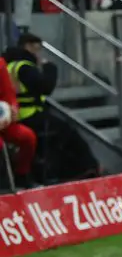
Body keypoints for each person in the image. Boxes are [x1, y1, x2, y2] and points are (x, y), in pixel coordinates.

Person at [4, 33, 101, 183]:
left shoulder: (10, 66)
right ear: (28, 46)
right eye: (36, 49)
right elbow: (45, 87)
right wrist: (50, 68)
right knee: (67, 132)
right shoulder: (24, 67)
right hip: (30, 114)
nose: (38, 54)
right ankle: (87, 168)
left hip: (20, 114)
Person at [0, 54, 36, 188]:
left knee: (28, 137)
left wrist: (13, 108)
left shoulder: (0, 64)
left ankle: (22, 174)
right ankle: (4, 185)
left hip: (3, 120)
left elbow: (9, 93)